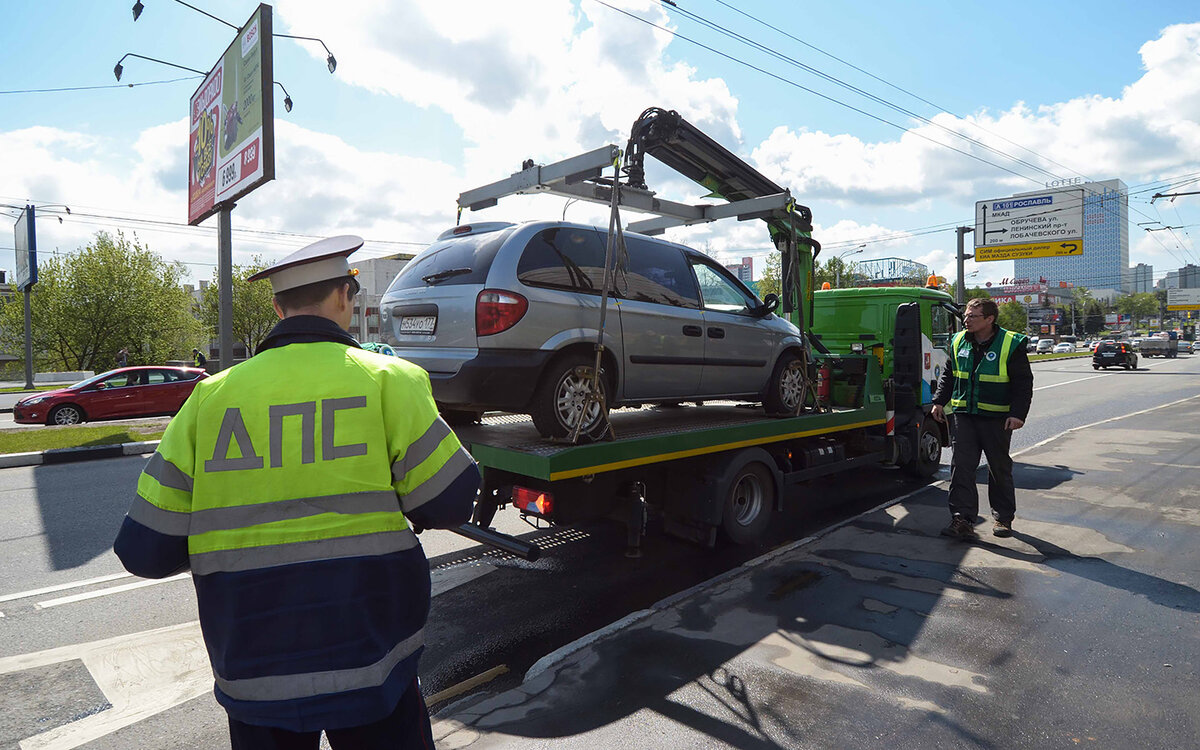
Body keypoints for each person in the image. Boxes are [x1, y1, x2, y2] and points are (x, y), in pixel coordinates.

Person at [113, 235, 480, 749]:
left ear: (277, 306)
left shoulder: (209, 399)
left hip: (255, 678)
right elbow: (450, 502)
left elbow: (143, 551)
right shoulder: (390, 381)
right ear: (344, 297)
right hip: (374, 665)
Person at [931, 297, 1032, 540]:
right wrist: (938, 402)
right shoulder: (958, 341)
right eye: (965, 315)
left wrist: (1017, 414)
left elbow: (1023, 383)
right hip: (964, 415)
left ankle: (1003, 518)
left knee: (998, 468)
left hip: (996, 417)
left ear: (989, 319)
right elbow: (949, 375)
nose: (966, 320)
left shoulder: (1010, 343)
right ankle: (962, 519)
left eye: (973, 316)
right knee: (961, 467)